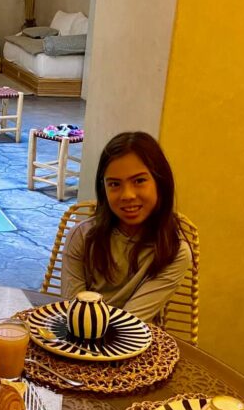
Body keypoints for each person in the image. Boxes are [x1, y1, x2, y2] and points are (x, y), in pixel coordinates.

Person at [62, 132, 191, 322]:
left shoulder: (173, 251)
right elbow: (75, 313)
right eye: (114, 184)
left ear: (160, 182)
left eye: (139, 181)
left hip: (136, 337)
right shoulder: (82, 236)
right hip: (80, 336)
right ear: (104, 189)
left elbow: (130, 324)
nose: (127, 195)